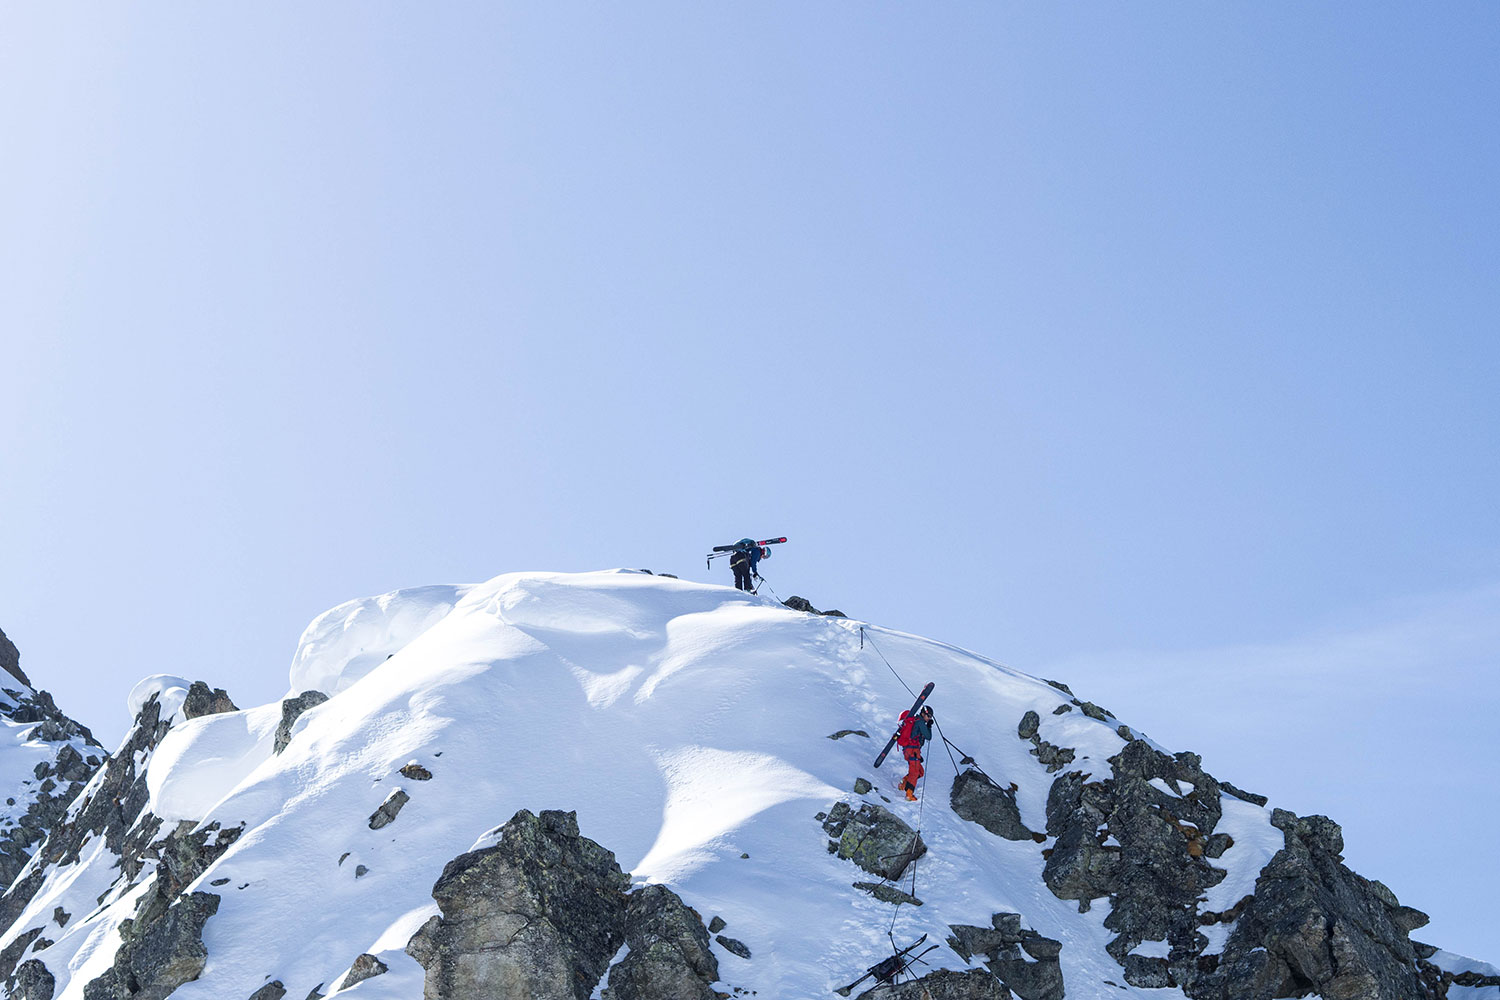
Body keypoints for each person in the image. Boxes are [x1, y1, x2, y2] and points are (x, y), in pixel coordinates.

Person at [895, 704, 934, 801]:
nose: (929, 719)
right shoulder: (920, 722)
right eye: (928, 716)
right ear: (923, 713)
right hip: (913, 750)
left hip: (908, 750)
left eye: (930, 717)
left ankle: (903, 783)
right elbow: (928, 736)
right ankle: (909, 794)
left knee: (920, 772)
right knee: (915, 772)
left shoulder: (915, 720)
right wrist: (929, 727)